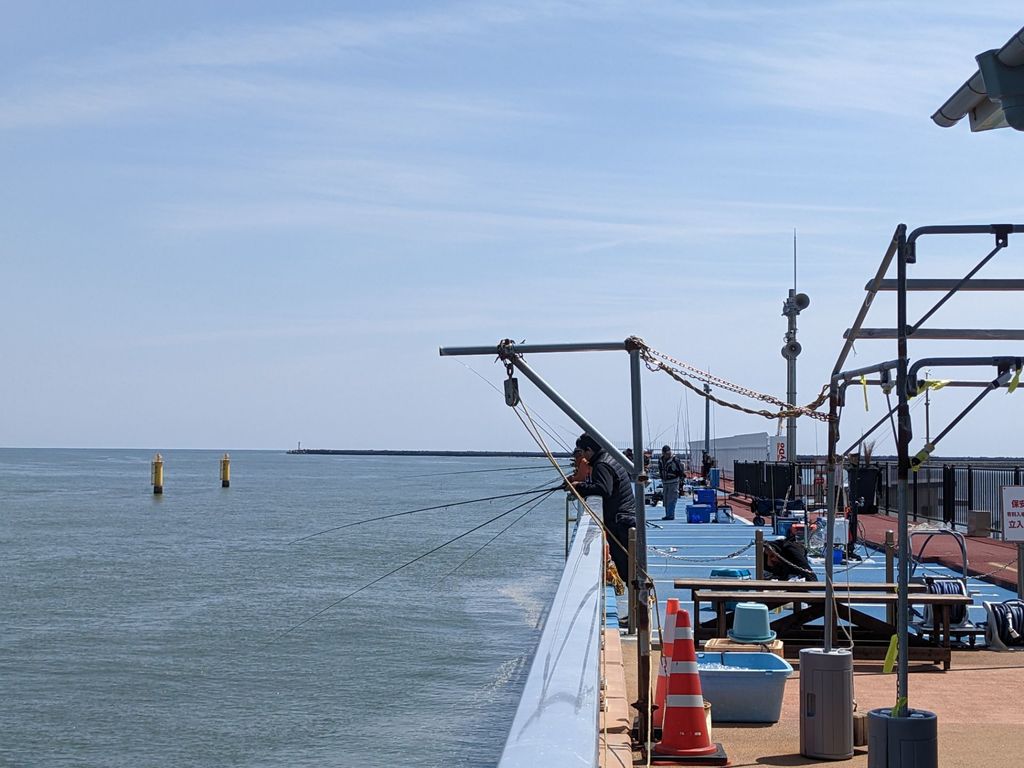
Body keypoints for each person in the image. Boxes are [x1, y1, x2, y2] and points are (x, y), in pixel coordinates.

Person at [571, 433, 636, 585]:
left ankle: (638, 602)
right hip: (625, 518)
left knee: (628, 570)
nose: (583, 457)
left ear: (589, 450)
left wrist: (579, 487)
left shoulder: (601, 464)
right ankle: (637, 601)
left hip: (620, 522)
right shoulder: (610, 457)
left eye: (582, 452)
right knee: (631, 569)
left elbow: (604, 489)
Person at [657, 444, 685, 521]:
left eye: (668, 453)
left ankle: (670, 515)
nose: (666, 455)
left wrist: (682, 480)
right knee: (665, 499)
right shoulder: (660, 460)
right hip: (665, 482)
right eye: (665, 453)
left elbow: (680, 470)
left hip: (673, 482)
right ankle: (667, 514)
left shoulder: (675, 460)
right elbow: (660, 469)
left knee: (672, 499)